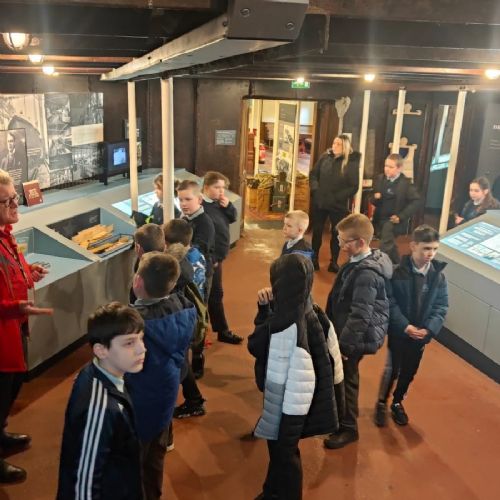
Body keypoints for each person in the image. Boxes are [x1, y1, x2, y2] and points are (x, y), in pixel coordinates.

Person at [248, 253, 342, 500]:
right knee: (280, 454)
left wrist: (264, 312)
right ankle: (272, 491)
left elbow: (255, 344)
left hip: (288, 408)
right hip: (296, 404)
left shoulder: (285, 325)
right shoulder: (312, 310)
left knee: (285, 454)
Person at [56, 302, 146, 499]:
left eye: (141, 338)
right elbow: (84, 488)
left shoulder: (99, 371)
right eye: (129, 343)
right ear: (101, 350)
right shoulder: (101, 407)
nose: (142, 349)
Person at [127, 252, 197, 500]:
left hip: (137, 402)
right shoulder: (184, 308)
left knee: (132, 462)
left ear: (137, 281)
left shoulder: (132, 325)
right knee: (155, 458)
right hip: (166, 394)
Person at [0, 169, 52, 484]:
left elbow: (9, 271)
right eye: (5, 201)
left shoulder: (5, 234)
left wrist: (28, 272)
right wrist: (13, 307)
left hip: (15, 326)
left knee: (13, 384)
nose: (14, 204)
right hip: (3, 331)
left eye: (14, 197)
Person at [324, 213, 392, 449]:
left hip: (353, 339)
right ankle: (340, 419)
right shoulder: (356, 262)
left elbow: (360, 314)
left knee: (347, 380)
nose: (340, 245)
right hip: (345, 332)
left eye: (344, 241)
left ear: (361, 242)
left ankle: (348, 428)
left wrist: (344, 346)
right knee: (342, 378)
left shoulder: (367, 273)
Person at [374, 225, 449, 427]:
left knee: (409, 371)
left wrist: (429, 329)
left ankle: (397, 402)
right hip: (400, 332)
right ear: (413, 246)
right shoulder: (397, 273)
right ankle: (381, 402)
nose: (430, 254)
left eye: (434, 249)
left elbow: (441, 306)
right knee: (392, 369)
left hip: (421, 336)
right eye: (426, 248)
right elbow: (389, 301)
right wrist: (405, 326)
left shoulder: (438, 276)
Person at [309, 134, 360, 273]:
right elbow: (313, 174)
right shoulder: (325, 157)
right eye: (334, 143)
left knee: (336, 233)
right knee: (317, 231)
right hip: (320, 201)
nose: (334, 146)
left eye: (338, 144)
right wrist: (315, 189)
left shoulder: (351, 163)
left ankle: (334, 262)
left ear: (345, 147)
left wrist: (337, 197)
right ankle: (314, 259)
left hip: (338, 204)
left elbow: (353, 186)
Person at [202, 171, 243, 344]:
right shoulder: (202, 207)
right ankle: (210, 333)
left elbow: (233, 218)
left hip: (217, 258)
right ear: (206, 187)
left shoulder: (219, 204)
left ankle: (220, 330)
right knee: (210, 294)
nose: (221, 191)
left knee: (215, 294)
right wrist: (212, 258)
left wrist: (228, 207)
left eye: (223, 188)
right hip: (210, 259)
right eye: (217, 187)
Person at [371, 153, 421, 264]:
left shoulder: (406, 184)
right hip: (380, 218)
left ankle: (379, 266)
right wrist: (375, 197)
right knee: (390, 245)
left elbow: (416, 201)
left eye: (391, 167)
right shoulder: (380, 179)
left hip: (393, 220)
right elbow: (371, 199)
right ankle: (398, 264)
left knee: (385, 245)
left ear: (399, 168)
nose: (387, 169)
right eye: (386, 166)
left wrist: (401, 216)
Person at [129, 223, 166, 304]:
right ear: (165, 246)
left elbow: (134, 299)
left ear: (138, 248)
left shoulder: (141, 276)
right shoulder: (169, 267)